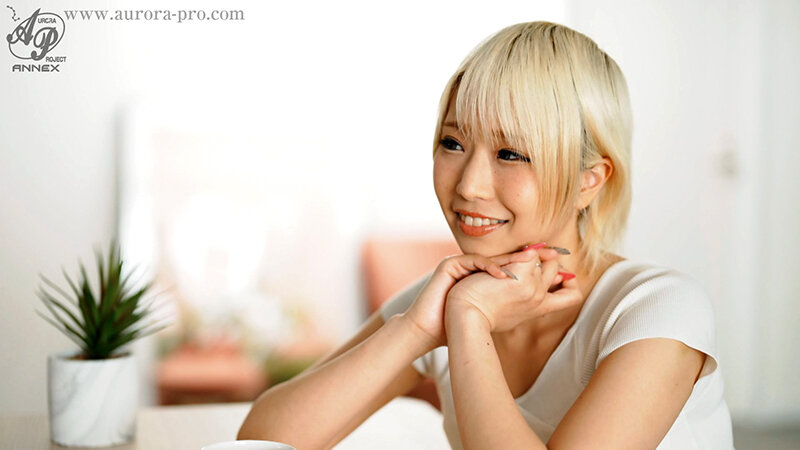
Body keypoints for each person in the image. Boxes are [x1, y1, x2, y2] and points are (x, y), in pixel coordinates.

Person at [238, 21, 734, 449]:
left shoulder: (658, 309)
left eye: (510, 154)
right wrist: (415, 331)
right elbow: (263, 441)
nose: (468, 185)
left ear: (589, 181)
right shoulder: (447, 300)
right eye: (453, 143)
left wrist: (469, 322)